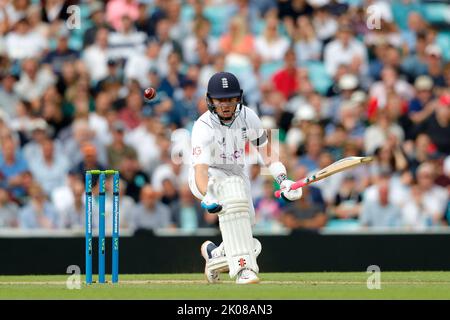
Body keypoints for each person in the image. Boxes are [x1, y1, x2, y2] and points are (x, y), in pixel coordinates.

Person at [189, 72, 302, 285]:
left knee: (246, 224)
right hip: (207, 176)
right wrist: (207, 194)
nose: (226, 105)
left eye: (230, 99)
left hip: (237, 173)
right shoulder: (202, 127)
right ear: (210, 100)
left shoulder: (249, 117)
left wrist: (283, 179)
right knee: (234, 205)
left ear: (238, 98)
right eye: (220, 100)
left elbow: (266, 152)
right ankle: (243, 269)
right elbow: (200, 171)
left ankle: (215, 255)